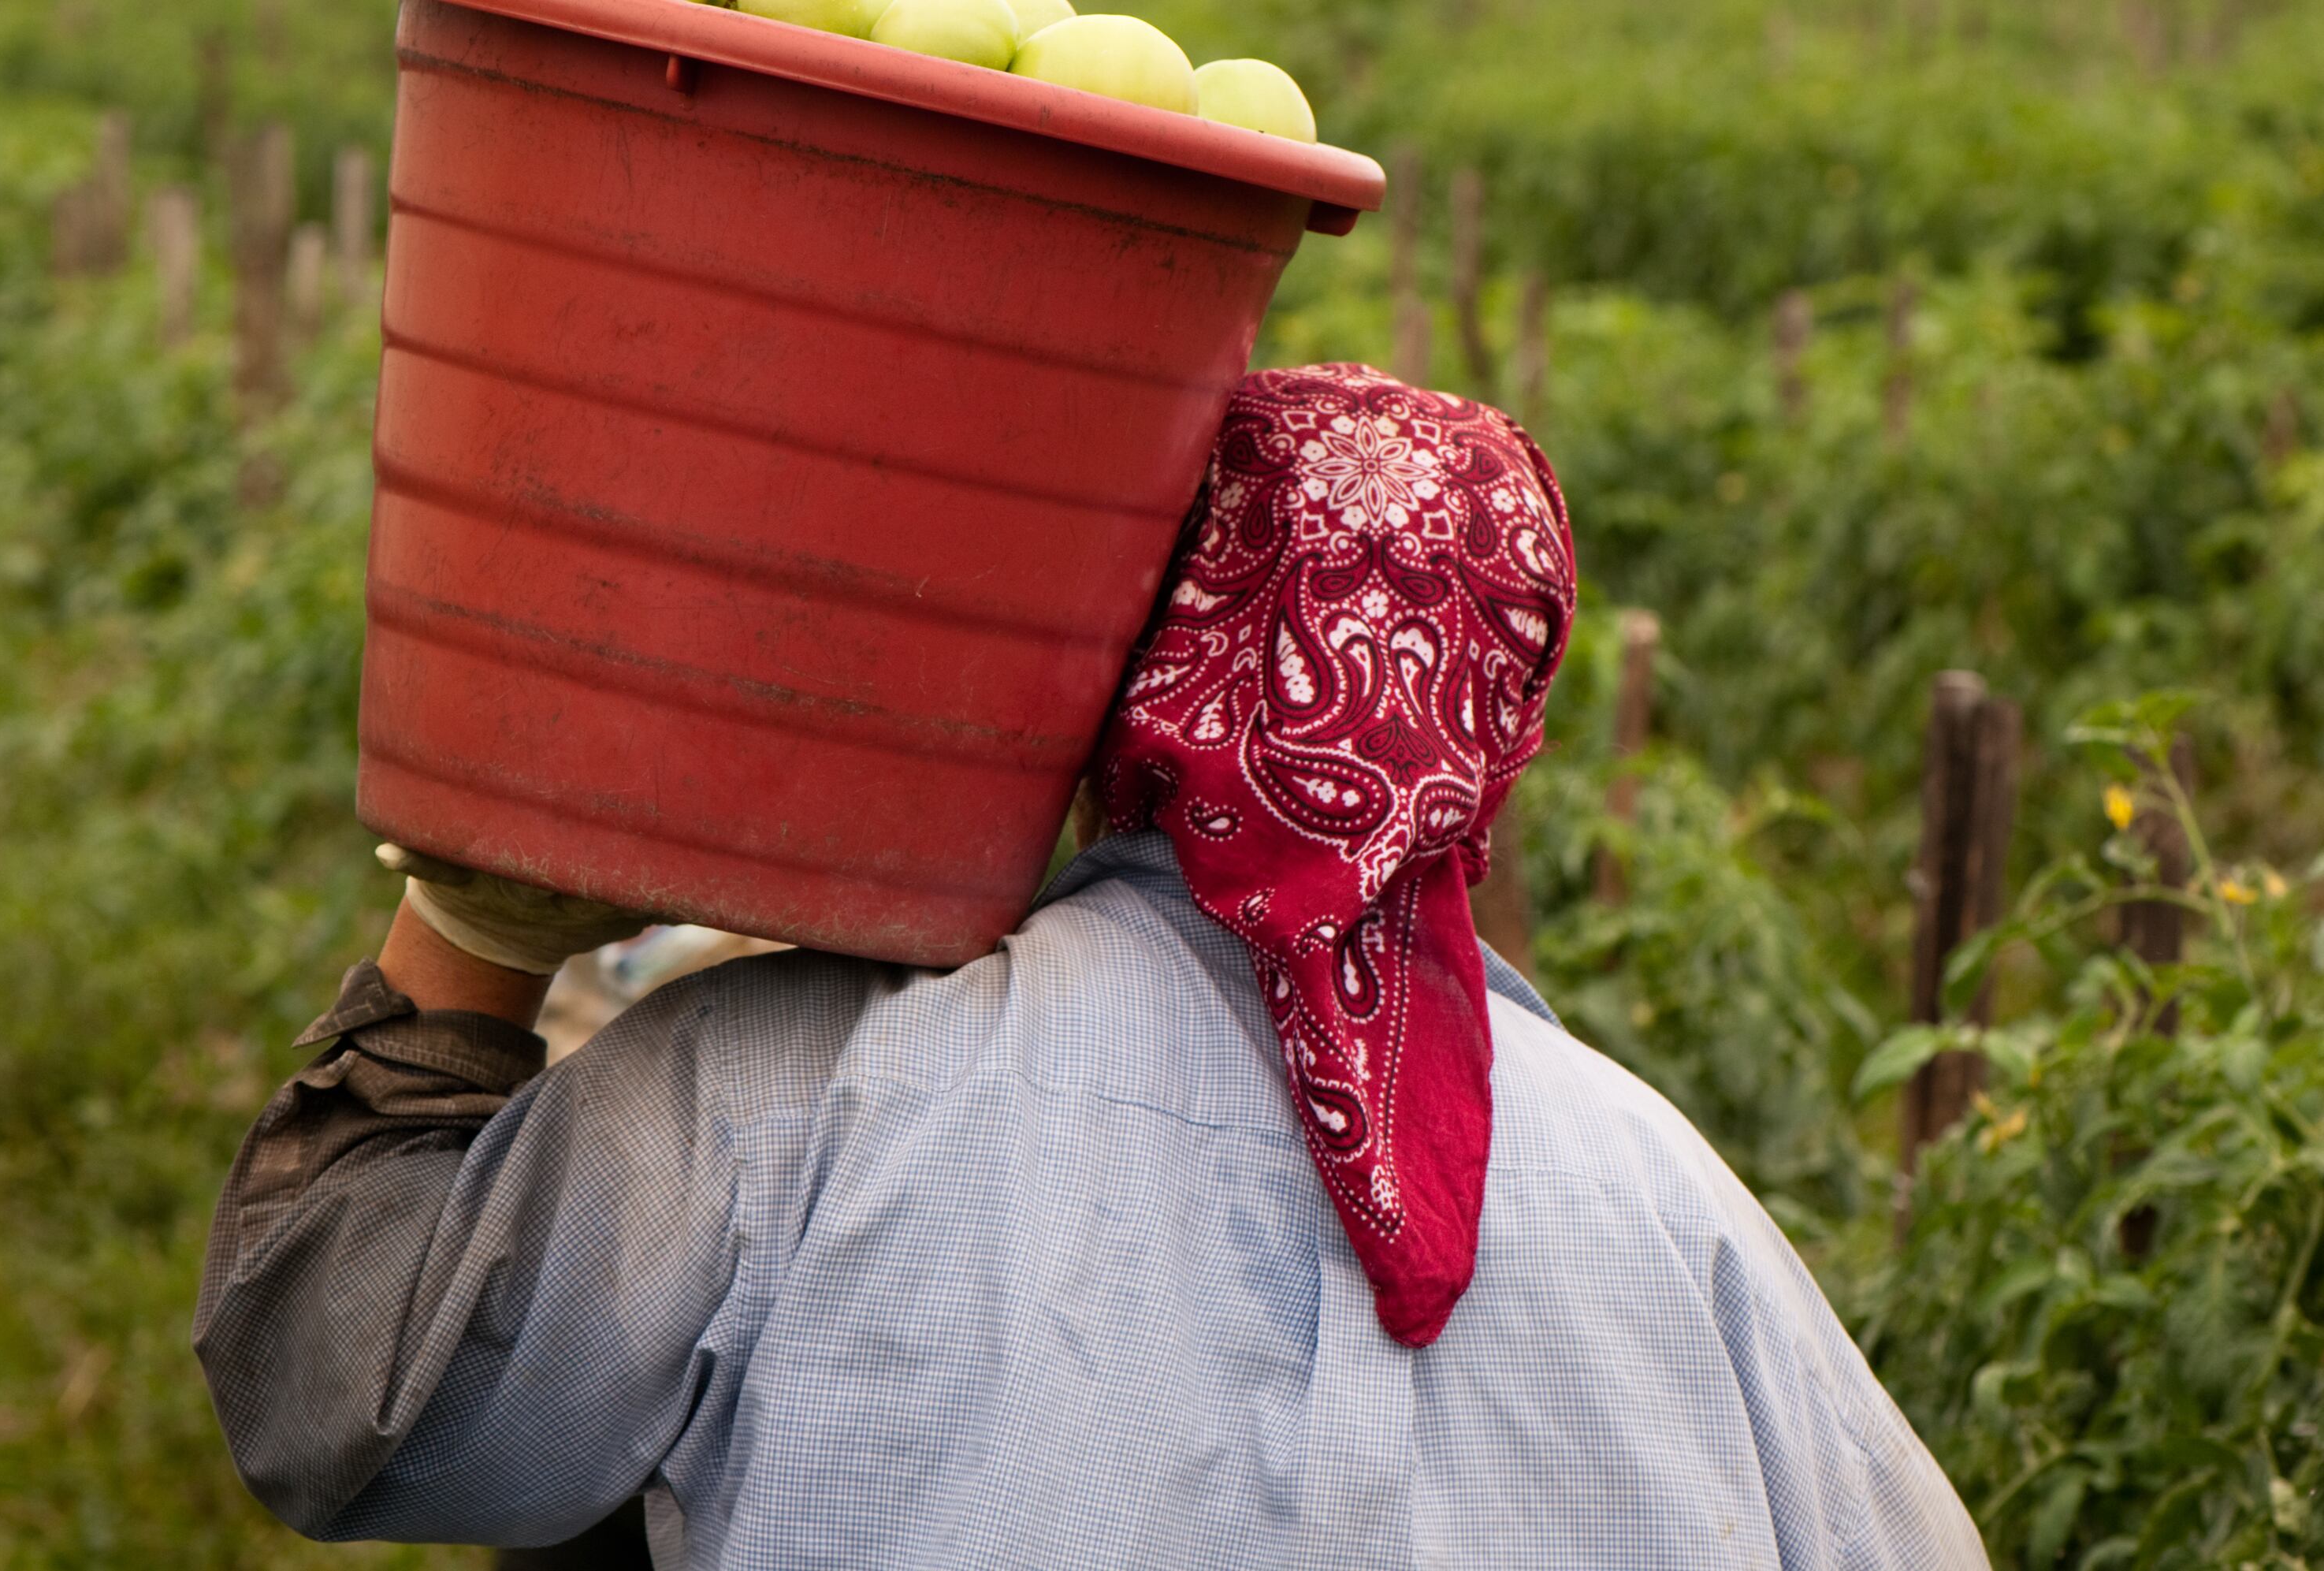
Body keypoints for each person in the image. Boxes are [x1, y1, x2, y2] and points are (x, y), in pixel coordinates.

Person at [196, 364, 1987, 1567]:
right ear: (1495, 731)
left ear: (1142, 639)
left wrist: (476, 928)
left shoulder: (791, 1100)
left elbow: (339, 1395)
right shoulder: (1679, 1217)